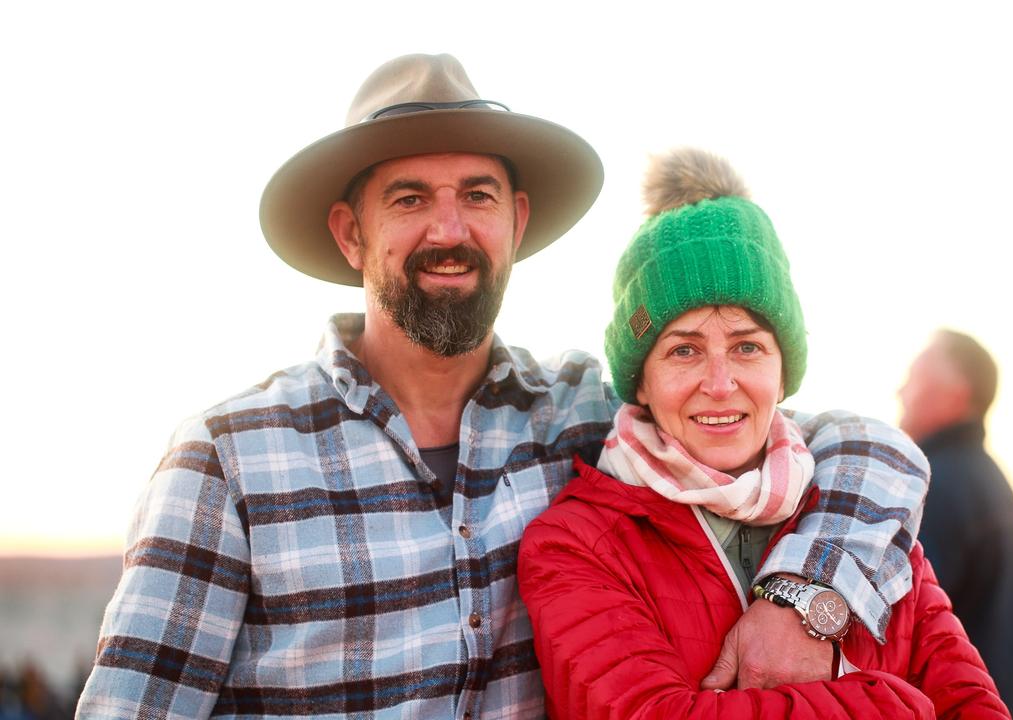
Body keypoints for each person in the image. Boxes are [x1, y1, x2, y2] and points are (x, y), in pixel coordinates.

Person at [77, 55, 930, 719]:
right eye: (409, 197)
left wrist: (801, 598)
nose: (449, 229)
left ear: (517, 222)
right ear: (349, 232)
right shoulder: (229, 460)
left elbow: (866, 451)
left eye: (477, 195)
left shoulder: (588, 416)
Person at [518, 149, 1010, 718]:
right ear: (642, 383)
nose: (721, 384)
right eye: (684, 350)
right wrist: (891, 706)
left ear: (783, 370)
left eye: (747, 346)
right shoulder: (576, 544)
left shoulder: (861, 519)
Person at [898, 330, 1013, 719]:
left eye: (914, 378)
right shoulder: (989, 483)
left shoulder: (938, 486)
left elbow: (898, 620)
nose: (899, 391)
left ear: (956, 394)